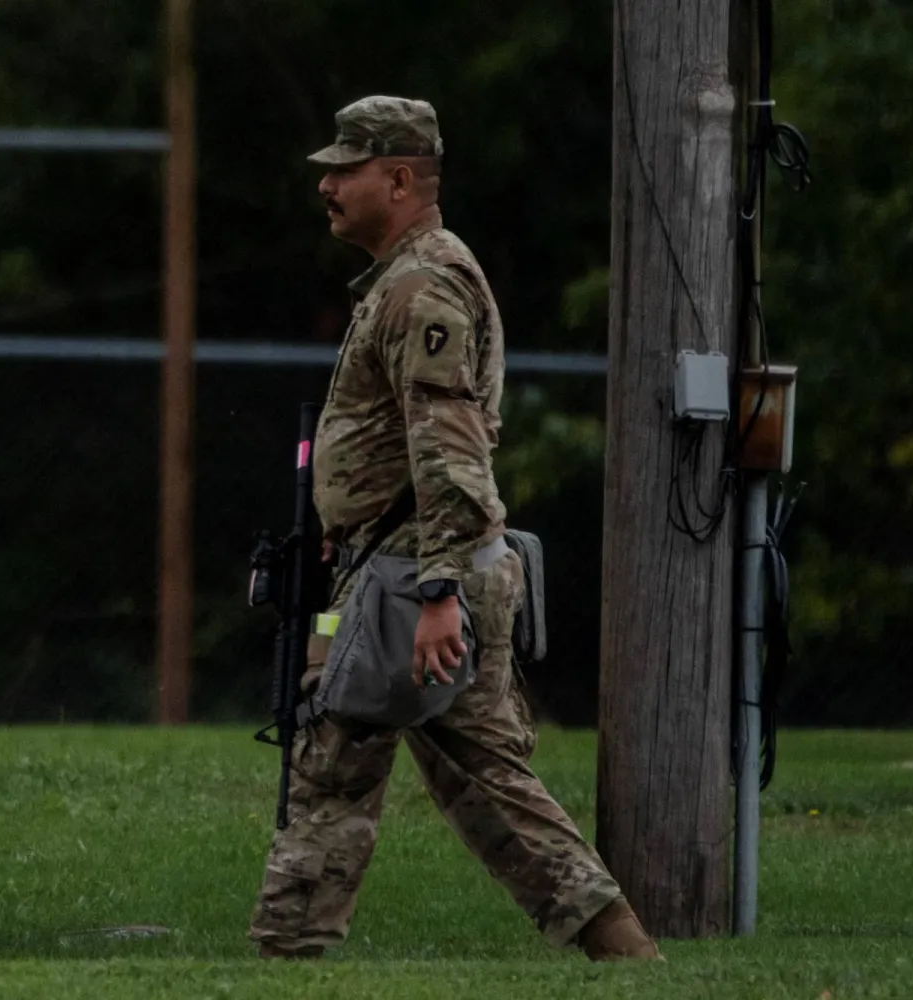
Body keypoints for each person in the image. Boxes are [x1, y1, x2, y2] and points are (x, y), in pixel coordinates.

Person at [247, 95, 662, 963]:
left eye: (345, 168)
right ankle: (623, 951)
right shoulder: (406, 279)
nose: (325, 184)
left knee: (332, 769)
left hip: (412, 581)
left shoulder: (422, 287)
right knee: (489, 788)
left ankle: (287, 954)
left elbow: (450, 451)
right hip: (400, 570)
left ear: (399, 179)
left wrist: (438, 593)